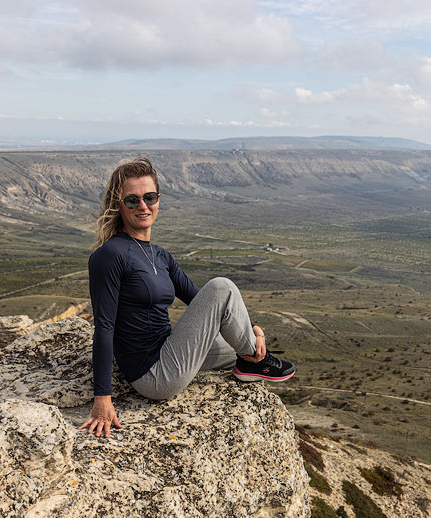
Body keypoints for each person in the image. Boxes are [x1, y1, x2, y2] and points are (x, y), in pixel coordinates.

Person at [79, 157, 295, 438]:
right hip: (154, 373)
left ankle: (250, 359)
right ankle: (255, 357)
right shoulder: (109, 256)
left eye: (149, 197)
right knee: (222, 286)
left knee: (237, 344)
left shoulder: (160, 256)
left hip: (171, 350)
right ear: (118, 206)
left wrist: (251, 329)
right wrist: (102, 400)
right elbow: (104, 327)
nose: (143, 206)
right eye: (132, 200)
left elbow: (201, 302)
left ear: (158, 200)